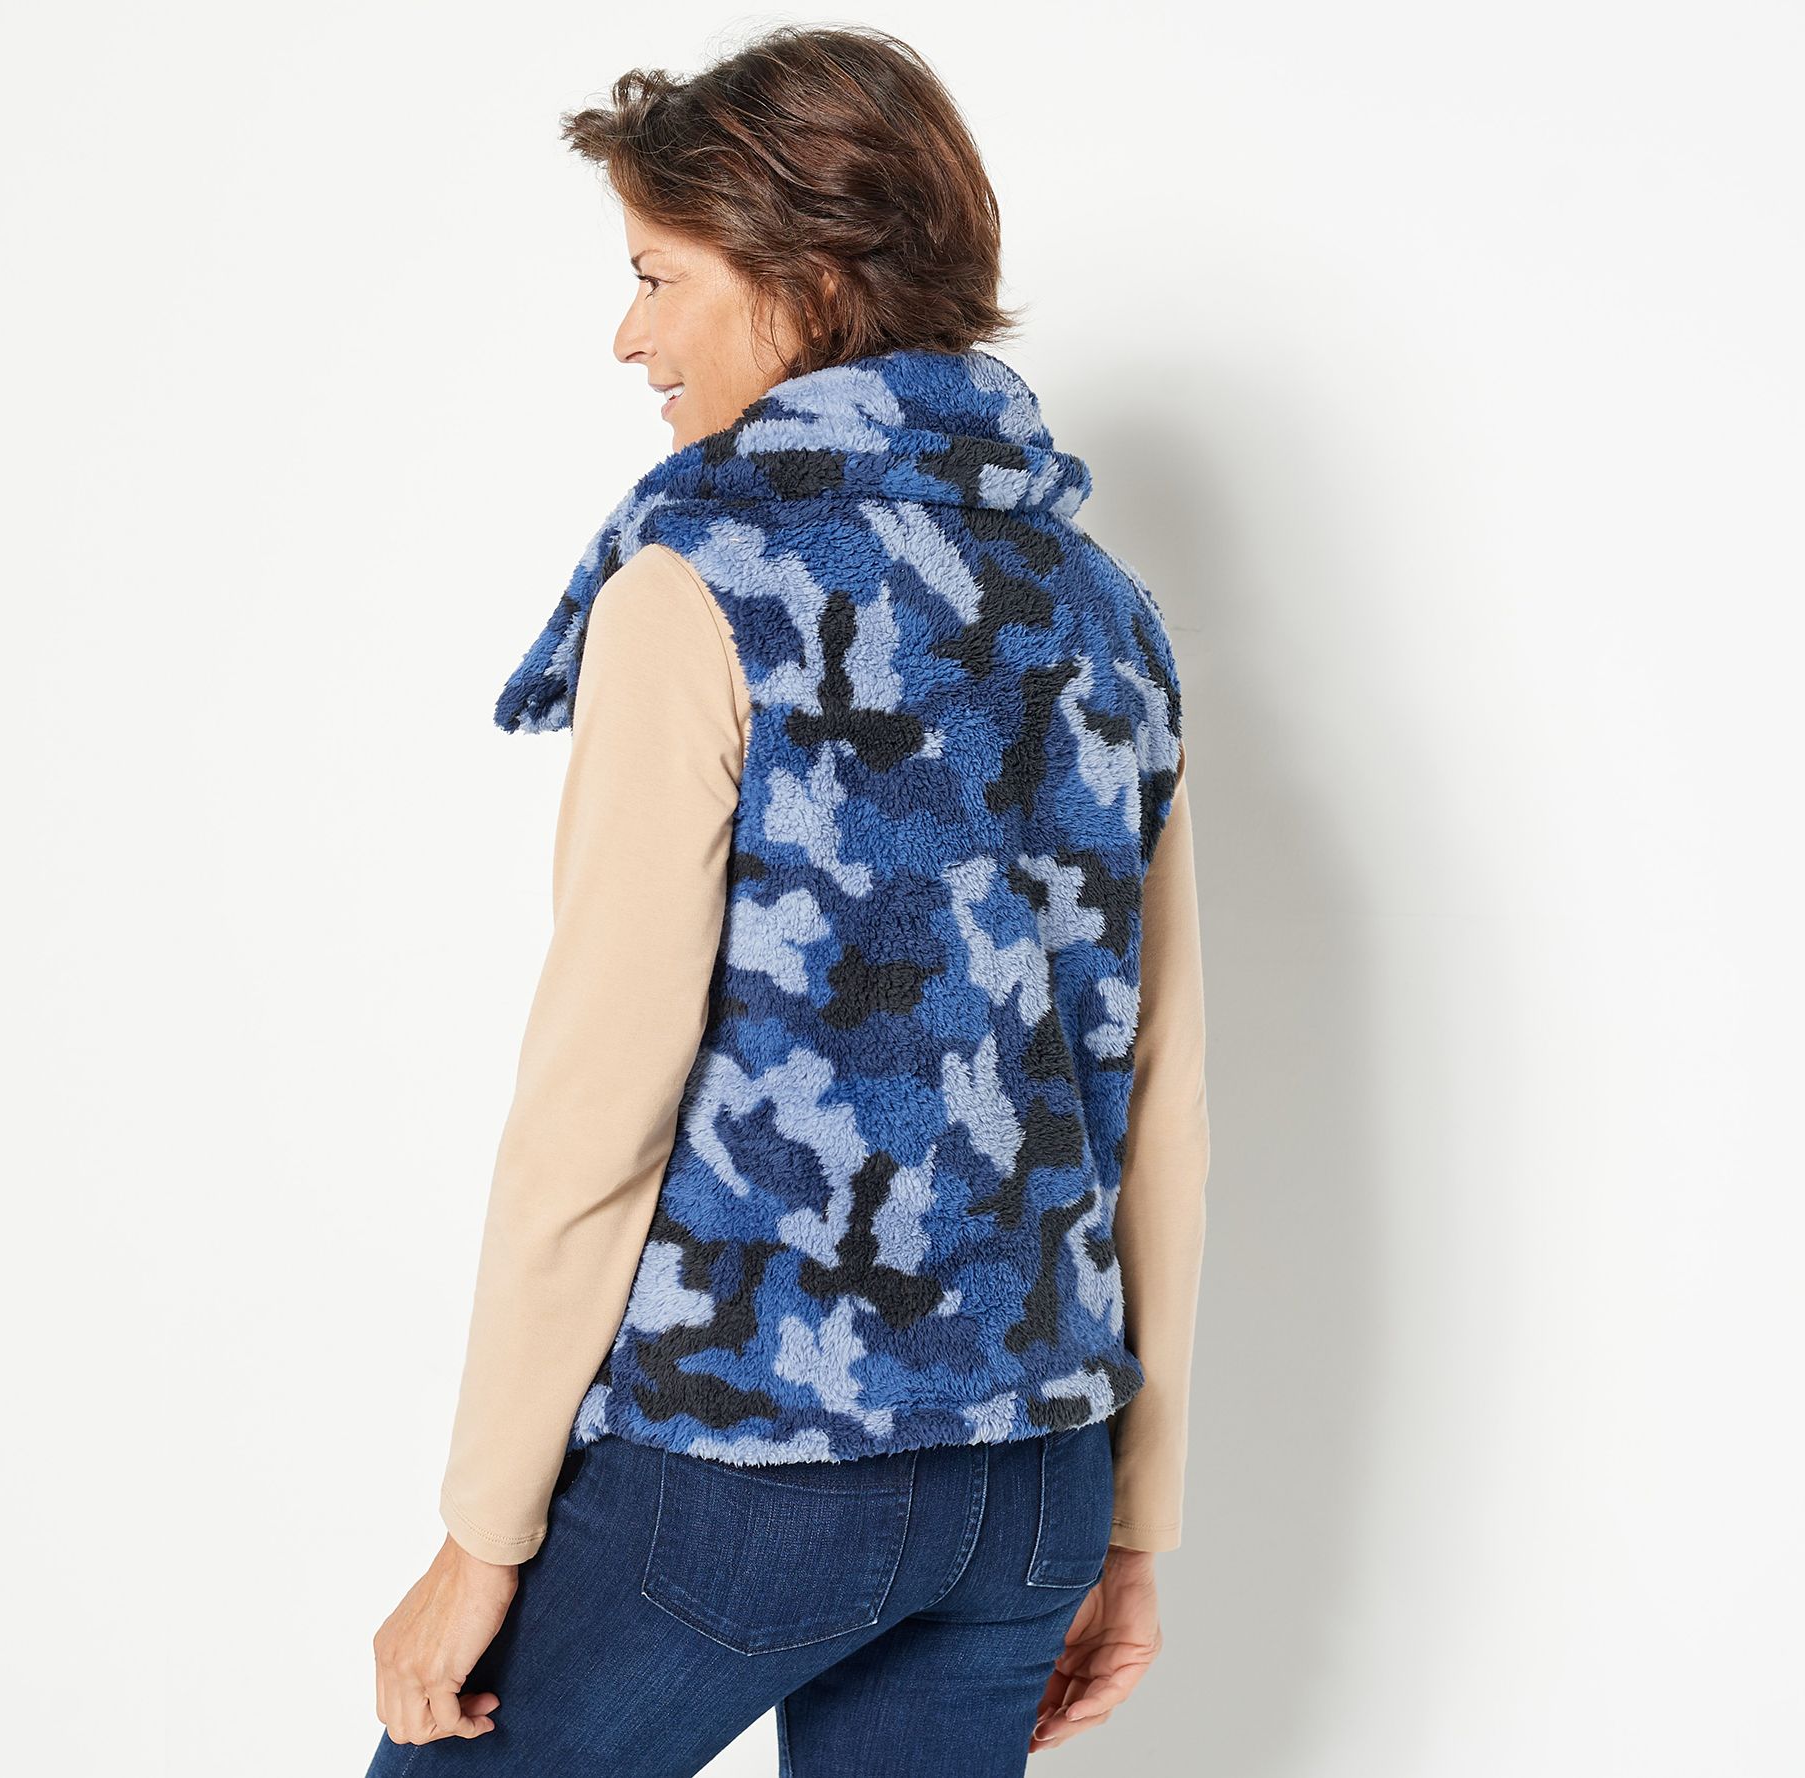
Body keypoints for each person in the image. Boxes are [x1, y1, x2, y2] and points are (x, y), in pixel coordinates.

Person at [367, 25, 1209, 1777]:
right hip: (1032, 1481)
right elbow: (1162, 1100)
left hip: (755, 1469)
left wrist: (482, 1530)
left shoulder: (699, 583)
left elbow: (598, 1104)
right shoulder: (1105, 610)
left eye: (657, 276)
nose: (629, 336)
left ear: (807, 277)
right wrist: (1133, 1516)